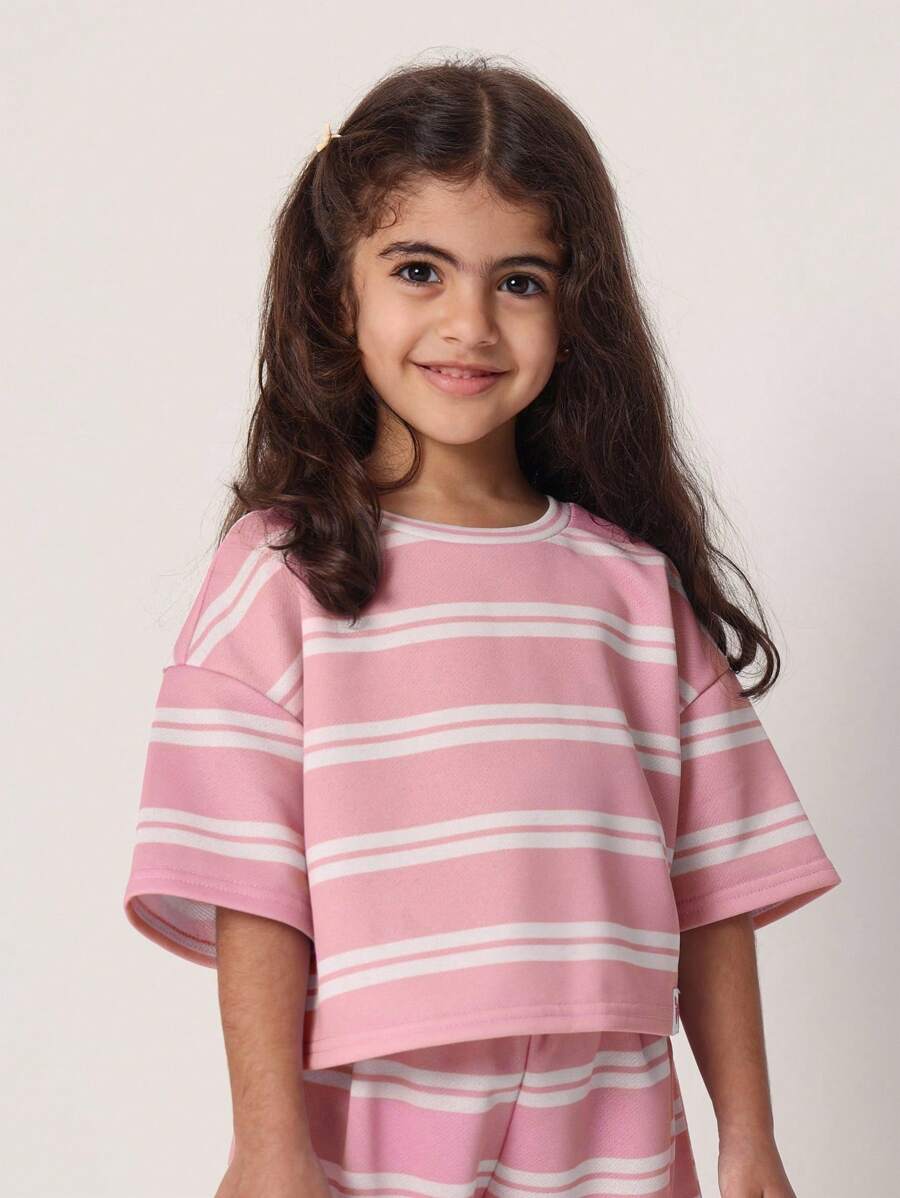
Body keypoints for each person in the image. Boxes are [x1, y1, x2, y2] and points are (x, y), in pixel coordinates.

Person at [122, 54, 842, 1198]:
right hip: (380, 1103)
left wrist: (748, 1134)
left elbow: (712, 894)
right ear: (338, 291)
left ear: (572, 305)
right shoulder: (284, 574)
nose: (469, 324)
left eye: (520, 280)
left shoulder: (632, 591)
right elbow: (253, 888)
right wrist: (266, 1143)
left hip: (612, 1103)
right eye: (419, 270)